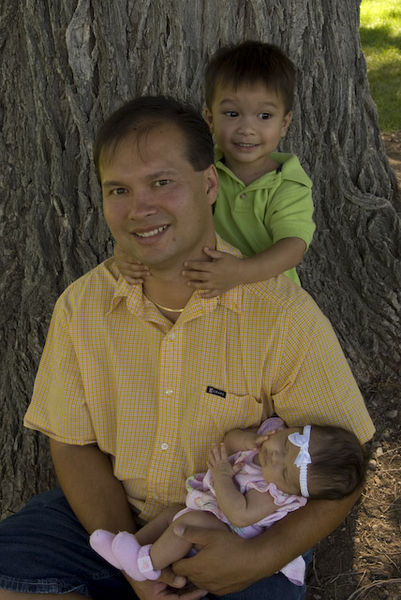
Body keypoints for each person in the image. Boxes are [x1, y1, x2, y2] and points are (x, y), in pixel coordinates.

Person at [0, 96, 374, 600]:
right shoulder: (81, 306)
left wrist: (257, 559)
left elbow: (346, 464)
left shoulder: (282, 315)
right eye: (119, 190)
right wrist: (135, 563)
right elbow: (70, 441)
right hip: (114, 514)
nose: (140, 209)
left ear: (209, 184)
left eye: (162, 182)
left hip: (240, 532)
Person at [115, 41, 315, 294]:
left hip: (268, 295)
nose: (247, 129)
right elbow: (163, 213)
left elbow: (293, 247)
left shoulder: (288, 184)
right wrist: (125, 251)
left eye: (264, 116)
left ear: (284, 123)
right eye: (232, 114)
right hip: (205, 288)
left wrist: (239, 272)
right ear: (210, 118)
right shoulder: (198, 169)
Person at [89, 417, 366, 587]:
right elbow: (231, 441)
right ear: (293, 429)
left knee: (186, 524)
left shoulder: (272, 494)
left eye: (283, 472)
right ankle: (129, 546)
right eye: (284, 447)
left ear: (291, 490)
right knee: (172, 512)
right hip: (212, 508)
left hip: (228, 533)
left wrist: (222, 477)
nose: (274, 458)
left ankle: (145, 566)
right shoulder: (269, 435)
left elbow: (239, 515)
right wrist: (249, 439)